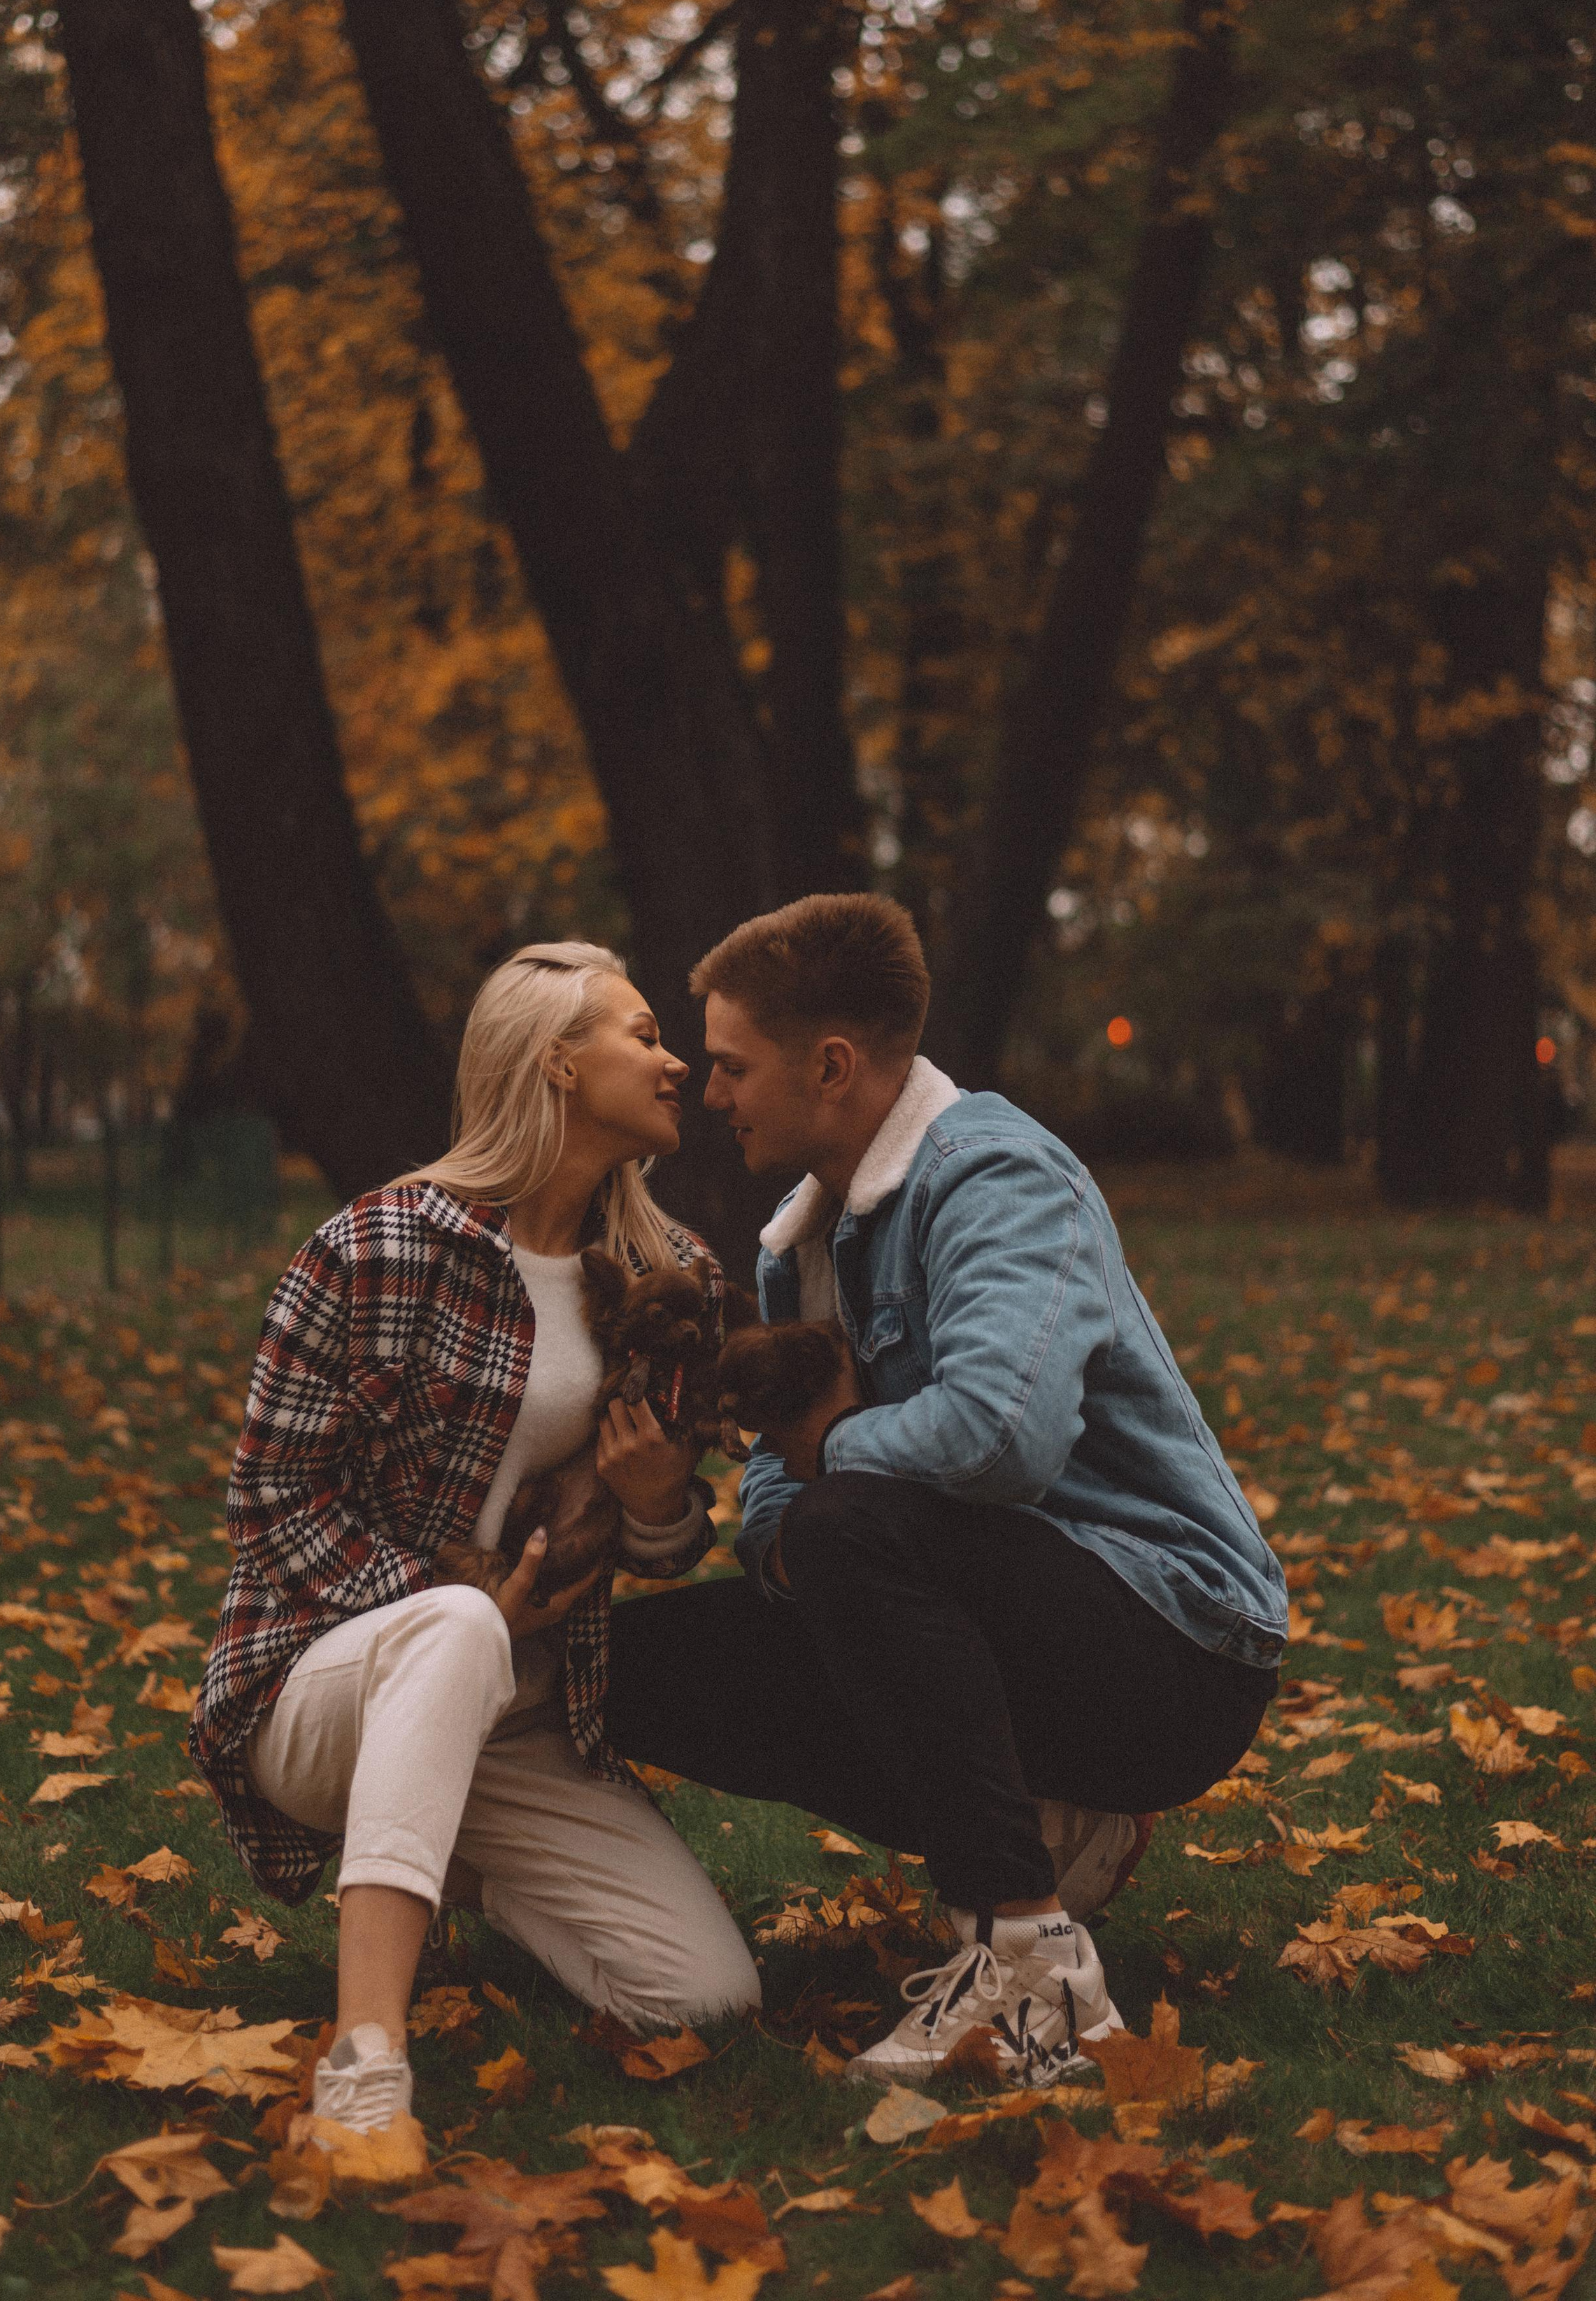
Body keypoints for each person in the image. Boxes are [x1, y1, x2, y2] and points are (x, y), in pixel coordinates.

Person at [605, 893, 1286, 2086]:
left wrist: (822, 1466)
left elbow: (996, 1439)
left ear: (830, 1064)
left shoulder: (1001, 1178)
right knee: (630, 1660)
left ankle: (1032, 1965)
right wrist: (792, 1527)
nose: (710, 1094)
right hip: (995, 1615)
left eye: (730, 1065)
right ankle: (1053, 1827)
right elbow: (776, 1494)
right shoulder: (801, 1240)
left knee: (849, 1527)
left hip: (1177, 1651)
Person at [188, 944, 760, 2135]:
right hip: (329, 1684)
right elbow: (271, 1498)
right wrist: (471, 1606)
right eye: (643, 1033)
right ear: (556, 1059)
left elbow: (660, 1549)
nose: (675, 1060)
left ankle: (441, 1842)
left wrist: (657, 1499)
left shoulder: (673, 1276)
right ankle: (365, 2067)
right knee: (451, 1626)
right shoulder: (378, 1245)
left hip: (527, 1722)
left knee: (700, 1994)